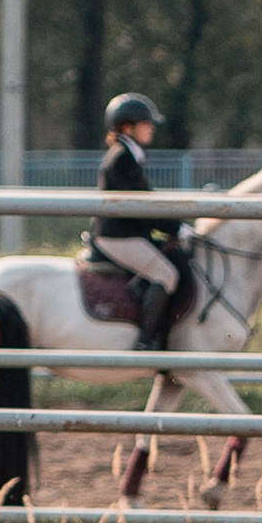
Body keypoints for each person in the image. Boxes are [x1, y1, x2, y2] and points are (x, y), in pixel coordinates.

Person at [86, 92, 188, 351]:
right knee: (166, 275)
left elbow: (147, 201)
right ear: (127, 127)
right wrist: (177, 228)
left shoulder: (130, 155)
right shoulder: (121, 158)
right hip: (117, 236)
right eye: (146, 124)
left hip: (129, 233)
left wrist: (176, 223)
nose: (151, 129)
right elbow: (140, 208)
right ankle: (145, 342)